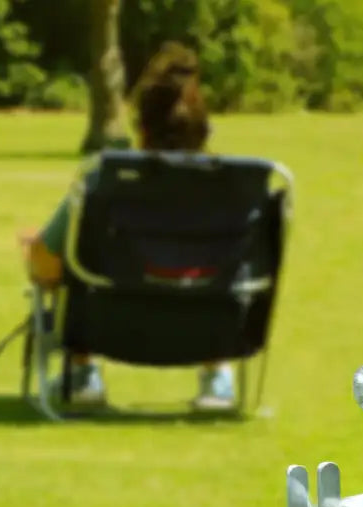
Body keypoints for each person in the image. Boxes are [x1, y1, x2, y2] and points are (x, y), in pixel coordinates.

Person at [20, 43, 236, 411]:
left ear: (142, 129)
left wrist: (31, 252)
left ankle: (83, 372)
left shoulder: (102, 181)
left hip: (113, 329)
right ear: (204, 130)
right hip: (204, 330)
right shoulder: (235, 190)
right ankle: (217, 378)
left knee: (78, 267)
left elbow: (46, 264)